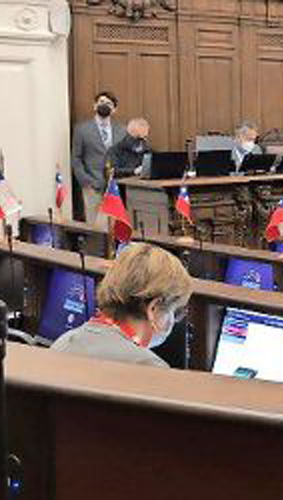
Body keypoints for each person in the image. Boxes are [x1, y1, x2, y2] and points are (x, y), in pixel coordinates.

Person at [51, 243, 192, 368]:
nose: (172, 321)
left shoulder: (63, 342)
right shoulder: (149, 366)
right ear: (153, 308)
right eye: (174, 312)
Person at [71, 91, 127, 223]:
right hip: (92, 185)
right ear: (94, 106)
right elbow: (76, 158)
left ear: (114, 109)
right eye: (101, 102)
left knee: (115, 223)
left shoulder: (122, 130)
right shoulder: (81, 129)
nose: (104, 105)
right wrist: (86, 181)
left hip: (116, 186)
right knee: (94, 224)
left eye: (108, 103)